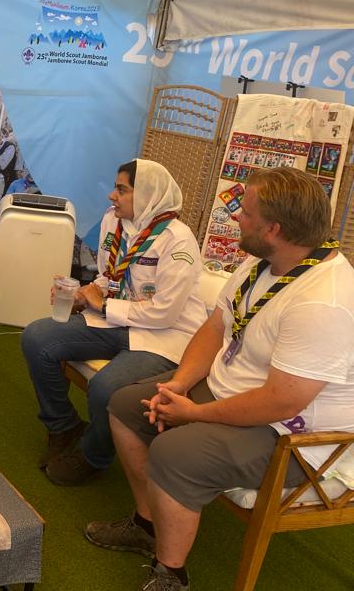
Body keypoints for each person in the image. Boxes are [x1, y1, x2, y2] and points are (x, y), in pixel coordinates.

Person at [87, 167, 354, 591]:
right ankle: (147, 525)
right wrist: (179, 385)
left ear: (274, 229)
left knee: (174, 452)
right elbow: (215, 327)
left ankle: (171, 575)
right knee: (124, 404)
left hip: (292, 434)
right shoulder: (264, 261)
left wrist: (194, 413)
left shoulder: (323, 302)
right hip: (237, 391)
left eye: (245, 213)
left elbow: (283, 401)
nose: (236, 218)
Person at [20, 159, 206, 486]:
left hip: (163, 335)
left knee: (106, 387)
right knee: (37, 337)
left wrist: (104, 305)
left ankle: (94, 456)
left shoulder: (178, 240)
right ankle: (64, 427)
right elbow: (112, 276)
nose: (112, 195)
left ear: (146, 194)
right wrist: (84, 293)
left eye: (122, 189)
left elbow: (165, 312)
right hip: (116, 318)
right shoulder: (113, 221)